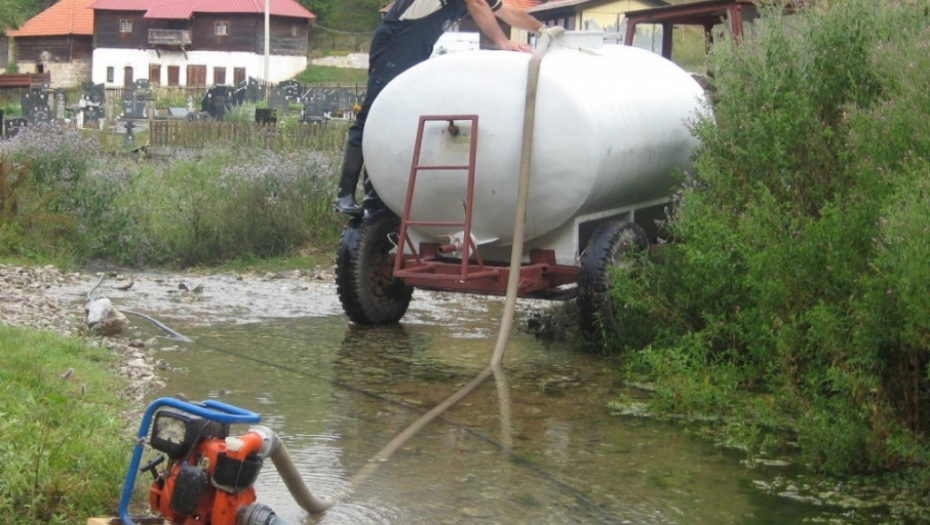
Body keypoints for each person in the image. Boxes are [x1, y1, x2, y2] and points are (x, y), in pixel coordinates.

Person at [334, 0, 546, 216]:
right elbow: (477, 3)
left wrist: (543, 30)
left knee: (397, 121)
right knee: (373, 118)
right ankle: (344, 194)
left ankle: (377, 201)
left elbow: (507, 11)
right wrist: (503, 41)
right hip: (395, 42)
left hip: (417, 50)